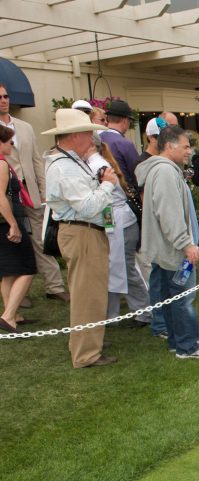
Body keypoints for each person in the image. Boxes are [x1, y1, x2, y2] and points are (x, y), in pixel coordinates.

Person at [42, 109, 118, 367]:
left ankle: (88, 341)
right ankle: (86, 353)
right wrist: (107, 184)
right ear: (74, 136)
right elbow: (87, 206)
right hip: (82, 232)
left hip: (85, 231)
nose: (91, 137)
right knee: (87, 294)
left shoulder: (70, 162)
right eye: (88, 132)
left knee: (91, 291)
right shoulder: (65, 167)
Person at [136, 125, 199, 359]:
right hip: (174, 251)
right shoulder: (166, 172)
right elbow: (169, 213)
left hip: (165, 250)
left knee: (171, 297)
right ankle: (187, 346)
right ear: (169, 146)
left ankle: (178, 340)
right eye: (186, 146)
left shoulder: (162, 170)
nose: (189, 151)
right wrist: (186, 244)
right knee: (183, 297)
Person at [0, 82, 69, 304]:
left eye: (6, 96)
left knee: (42, 238)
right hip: (6, 191)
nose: (4, 100)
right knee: (13, 240)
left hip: (29, 190)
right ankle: (19, 295)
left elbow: (36, 161)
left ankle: (55, 285)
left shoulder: (25, 127)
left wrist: (43, 190)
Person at [84, 136, 151, 327]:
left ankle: (144, 311)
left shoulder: (97, 165)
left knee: (124, 269)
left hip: (119, 221)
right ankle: (113, 314)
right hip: (117, 221)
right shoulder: (99, 163)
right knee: (115, 269)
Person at [0, 124, 36, 332]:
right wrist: (13, 224)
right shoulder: (2, 165)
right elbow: (1, 197)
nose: (12, 145)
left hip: (5, 223)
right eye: (9, 141)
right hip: (8, 223)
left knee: (9, 271)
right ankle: (9, 315)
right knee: (27, 268)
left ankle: (12, 315)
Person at [99, 99, 140, 190]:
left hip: (102, 192)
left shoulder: (97, 139)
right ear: (125, 121)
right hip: (124, 194)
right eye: (130, 121)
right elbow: (137, 174)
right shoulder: (125, 144)